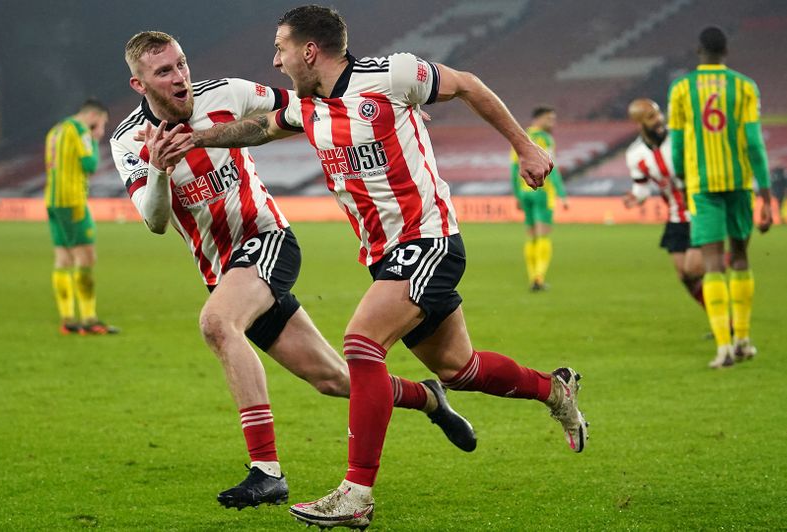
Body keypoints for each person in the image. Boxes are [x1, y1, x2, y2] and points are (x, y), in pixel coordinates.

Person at [172, 6, 588, 528]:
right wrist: (197, 138)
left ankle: (356, 494)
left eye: (281, 48)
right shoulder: (309, 106)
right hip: (384, 257)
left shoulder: (391, 75)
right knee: (459, 368)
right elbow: (260, 128)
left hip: (428, 239)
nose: (275, 61)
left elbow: (467, 84)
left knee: (361, 343)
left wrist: (525, 146)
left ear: (309, 51)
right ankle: (554, 390)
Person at [112, 31, 477, 511]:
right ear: (139, 84)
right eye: (164, 71)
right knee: (334, 380)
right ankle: (428, 398)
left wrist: (383, 109)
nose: (180, 75)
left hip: (267, 240)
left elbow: (309, 105)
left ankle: (266, 472)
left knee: (217, 323)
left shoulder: (228, 93)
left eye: (181, 63)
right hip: (224, 272)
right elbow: (155, 221)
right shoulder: (127, 140)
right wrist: (160, 170)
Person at [667, 27, 773, 369]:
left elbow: (678, 143)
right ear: (726, 51)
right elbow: (754, 143)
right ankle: (743, 339)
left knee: (712, 263)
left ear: (698, 50)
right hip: (739, 183)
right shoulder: (744, 86)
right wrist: (766, 194)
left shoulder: (681, 89)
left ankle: (724, 349)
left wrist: (683, 177)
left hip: (702, 185)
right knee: (740, 257)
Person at [45, 99, 119, 335]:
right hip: (73, 201)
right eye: (102, 123)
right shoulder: (81, 131)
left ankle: (68, 319)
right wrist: (94, 139)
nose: (101, 129)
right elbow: (90, 164)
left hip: (53, 201)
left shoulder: (56, 130)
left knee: (63, 259)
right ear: (94, 117)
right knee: (86, 258)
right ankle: (89, 319)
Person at [623, 98, 704, 308]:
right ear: (639, 123)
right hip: (676, 216)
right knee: (685, 276)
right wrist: (635, 198)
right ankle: (720, 318)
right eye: (651, 117)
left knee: (694, 269)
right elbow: (641, 189)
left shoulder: (681, 138)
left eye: (659, 113)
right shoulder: (634, 155)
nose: (659, 119)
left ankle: (728, 260)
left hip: (701, 211)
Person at [511, 106, 568, 291]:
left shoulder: (520, 138)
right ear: (539, 119)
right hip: (542, 191)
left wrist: (517, 194)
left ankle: (532, 277)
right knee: (543, 234)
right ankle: (539, 277)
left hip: (524, 191)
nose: (553, 123)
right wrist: (562, 194)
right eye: (549, 119)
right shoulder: (545, 138)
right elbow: (552, 168)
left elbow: (514, 168)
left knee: (531, 235)